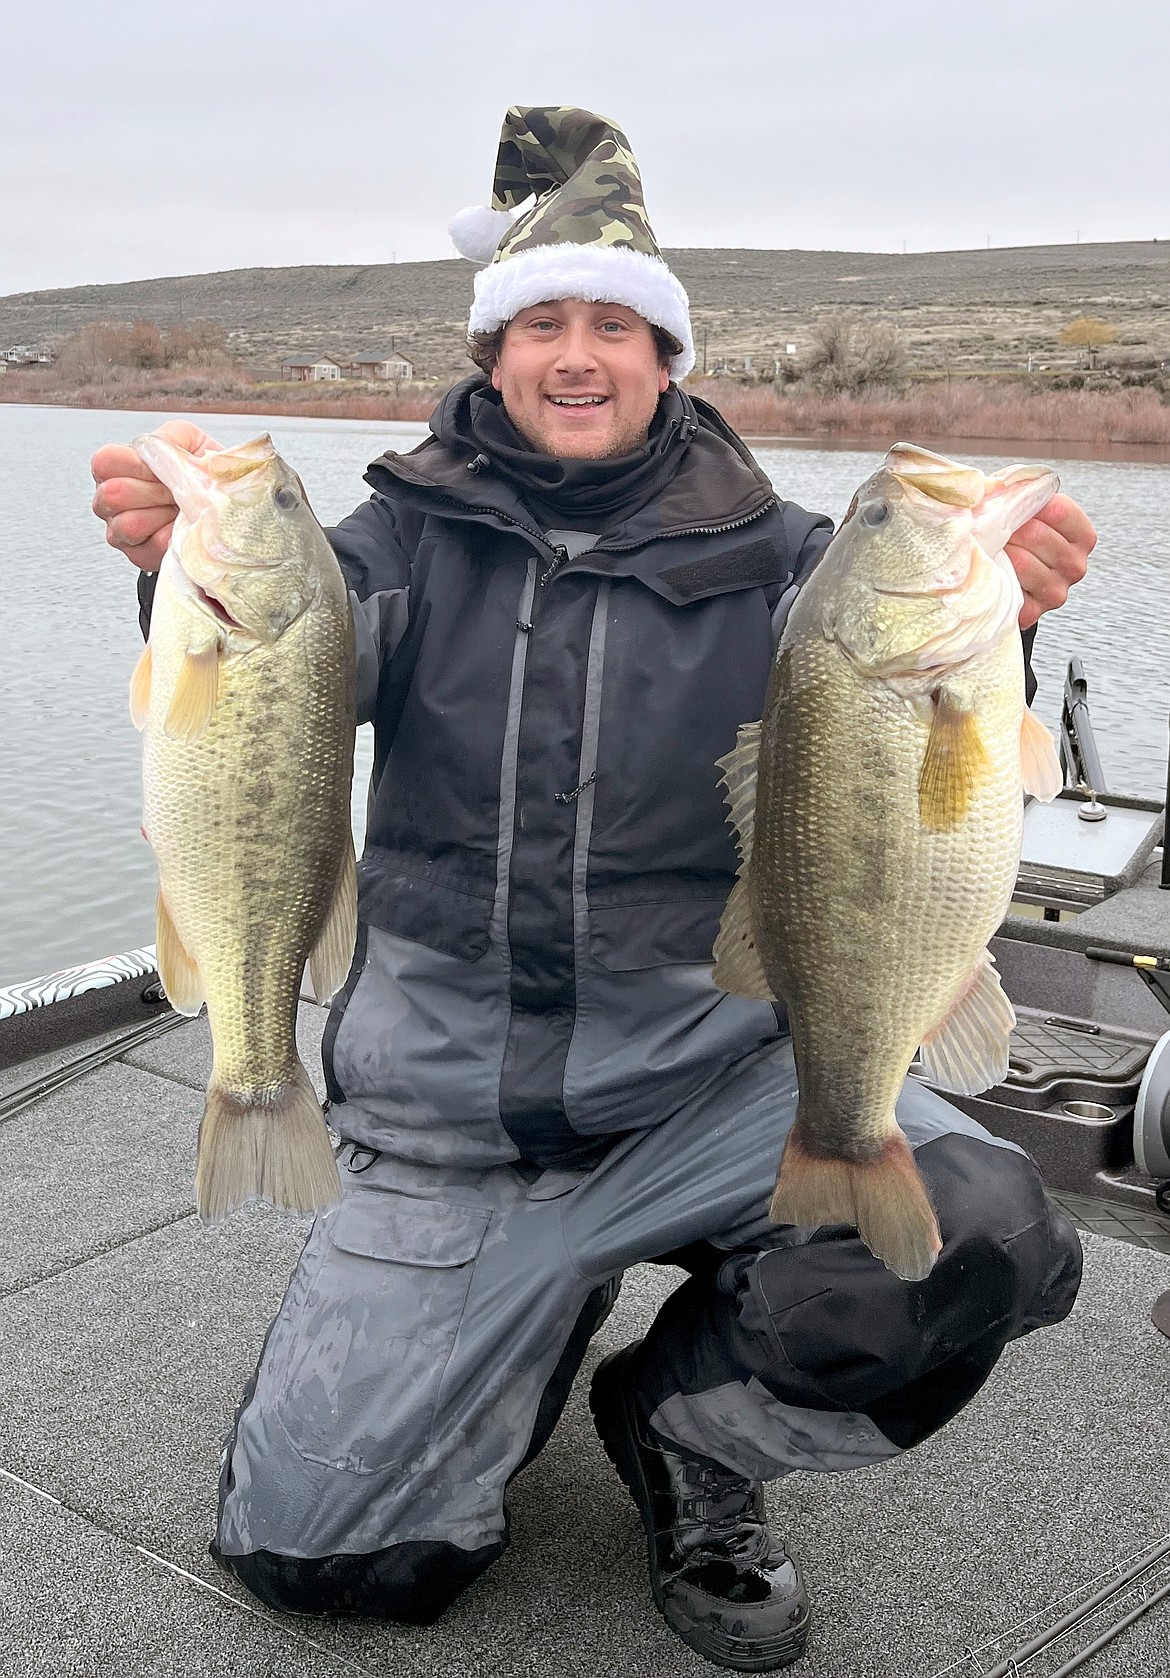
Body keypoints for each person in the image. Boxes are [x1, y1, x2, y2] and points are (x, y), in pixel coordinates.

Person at [92, 107, 1094, 1673]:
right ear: (491, 354)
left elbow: (918, 761)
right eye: (539, 321)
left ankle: (685, 1422)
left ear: (665, 358)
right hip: (451, 1120)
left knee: (968, 1229)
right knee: (326, 1559)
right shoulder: (390, 544)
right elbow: (280, 661)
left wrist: (1003, 625)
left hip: (708, 1084)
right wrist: (176, 574)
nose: (576, 355)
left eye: (612, 325)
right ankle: (517, 1307)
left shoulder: (793, 565)